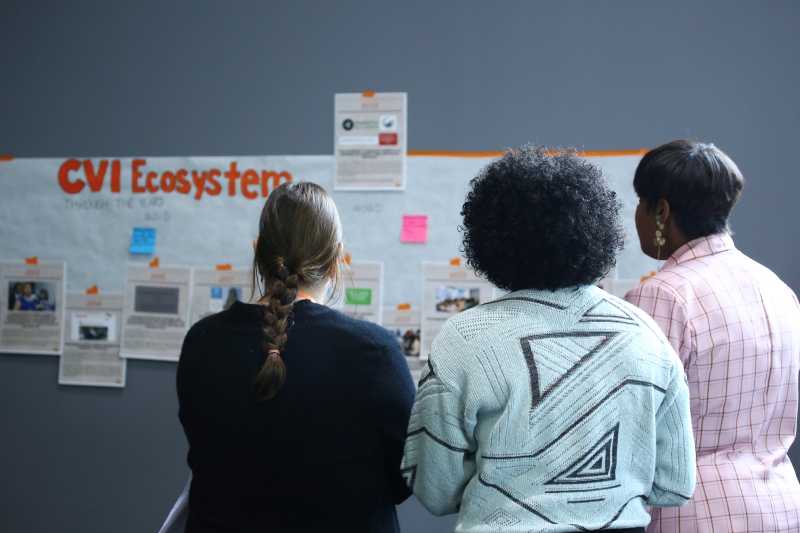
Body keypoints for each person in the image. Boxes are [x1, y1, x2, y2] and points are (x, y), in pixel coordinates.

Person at [402, 147, 696, 533]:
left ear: (491, 236)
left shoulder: (466, 338)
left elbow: (434, 488)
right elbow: (675, 484)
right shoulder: (645, 335)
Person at [177, 181, 415, 533]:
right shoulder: (372, 352)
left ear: (258, 252)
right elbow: (407, 476)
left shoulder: (202, 341)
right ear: (337, 257)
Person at [624, 140, 800, 532]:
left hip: (693, 512)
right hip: (782, 504)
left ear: (661, 211)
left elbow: (638, 423)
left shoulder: (662, 293)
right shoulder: (775, 286)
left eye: (641, 201)